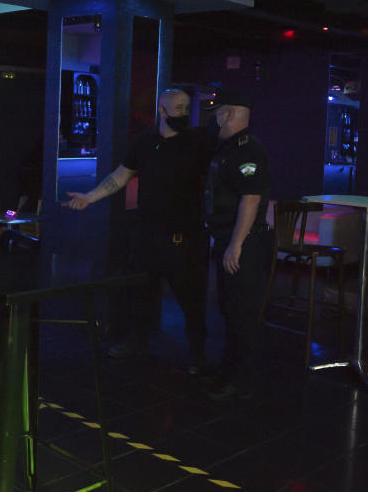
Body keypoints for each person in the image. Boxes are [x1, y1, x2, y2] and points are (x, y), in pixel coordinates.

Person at [64, 88, 214, 374]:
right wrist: (89, 197)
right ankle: (137, 341)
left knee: (190, 296)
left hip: (183, 234)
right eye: (177, 108)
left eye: (186, 107)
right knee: (142, 291)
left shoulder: (197, 141)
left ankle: (197, 354)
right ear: (162, 110)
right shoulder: (145, 141)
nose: (183, 113)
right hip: (148, 232)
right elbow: (120, 176)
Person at [203, 89, 272, 402]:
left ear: (227, 114)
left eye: (219, 112)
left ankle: (241, 378)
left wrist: (236, 244)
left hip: (243, 241)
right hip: (228, 237)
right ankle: (229, 370)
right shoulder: (230, 147)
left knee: (241, 311)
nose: (216, 117)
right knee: (230, 308)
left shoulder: (248, 149)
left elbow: (251, 198)